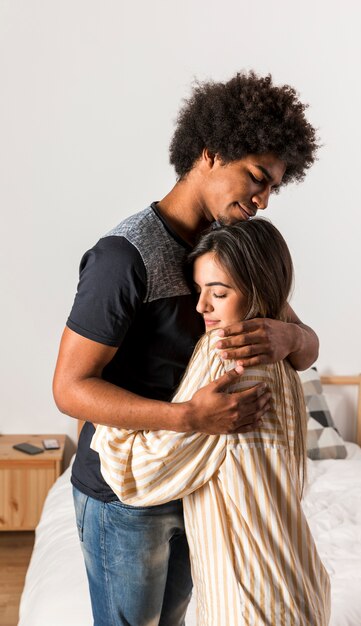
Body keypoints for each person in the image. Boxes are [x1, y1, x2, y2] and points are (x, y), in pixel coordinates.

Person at [53, 71, 320, 626]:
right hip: (122, 497)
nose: (264, 199)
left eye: (273, 186)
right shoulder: (124, 256)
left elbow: (307, 347)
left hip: (194, 486)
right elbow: (69, 389)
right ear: (211, 152)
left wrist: (289, 335)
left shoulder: (230, 251)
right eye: (257, 177)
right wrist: (188, 417)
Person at [91, 218, 331, 626]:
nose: (201, 306)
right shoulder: (285, 357)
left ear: (258, 291)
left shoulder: (226, 353)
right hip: (298, 584)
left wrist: (104, 412)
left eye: (218, 293)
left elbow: (143, 475)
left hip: (250, 600)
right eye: (199, 290)